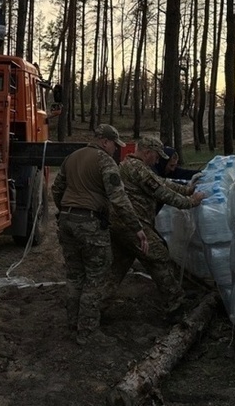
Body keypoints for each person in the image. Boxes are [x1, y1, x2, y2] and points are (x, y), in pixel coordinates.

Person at [51, 124, 149, 346]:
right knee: (96, 278)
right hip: (91, 224)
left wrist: (67, 210)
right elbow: (119, 199)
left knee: (75, 276)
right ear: (105, 141)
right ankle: (87, 333)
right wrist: (137, 229)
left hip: (67, 222)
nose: (116, 149)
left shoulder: (71, 157)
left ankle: (72, 325)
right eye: (115, 145)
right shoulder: (105, 161)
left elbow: (57, 189)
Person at [106, 136, 207, 313]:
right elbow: (162, 192)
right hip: (134, 226)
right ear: (147, 153)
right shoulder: (138, 169)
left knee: (117, 268)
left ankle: (92, 306)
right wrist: (191, 201)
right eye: (156, 156)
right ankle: (175, 303)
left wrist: (186, 189)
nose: (158, 160)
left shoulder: (132, 165)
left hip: (120, 225)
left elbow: (162, 182)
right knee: (159, 256)